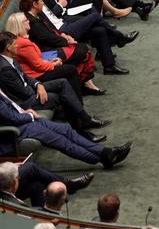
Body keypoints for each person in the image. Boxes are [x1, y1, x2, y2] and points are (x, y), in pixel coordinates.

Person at [0, 31, 110, 143]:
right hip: (24, 102)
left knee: (63, 83)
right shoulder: (5, 69)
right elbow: (24, 93)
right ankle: (82, 129)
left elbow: (25, 77)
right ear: (8, 47)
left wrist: (38, 84)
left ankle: (82, 124)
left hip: (31, 89)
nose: (17, 45)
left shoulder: (10, 58)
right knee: (63, 95)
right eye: (14, 44)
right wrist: (39, 87)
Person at [0, 86, 132, 168]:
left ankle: (105, 153)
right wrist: (29, 115)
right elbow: (11, 118)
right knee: (61, 141)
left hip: (24, 120)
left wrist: (25, 111)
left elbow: (11, 106)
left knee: (66, 130)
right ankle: (103, 158)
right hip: (16, 130)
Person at [5, 12, 104, 97]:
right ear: (20, 25)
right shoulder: (23, 43)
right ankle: (77, 106)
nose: (28, 21)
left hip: (35, 71)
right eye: (25, 21)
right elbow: (38, 66)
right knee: (71, 69)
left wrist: (50, 61)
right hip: (35, 76)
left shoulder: (21, 40)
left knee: (74, 59)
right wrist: (53, 64)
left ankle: (78, 101)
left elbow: (35, 61)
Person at [0, 161, 93, 207]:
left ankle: (43, 215)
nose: (19, 178)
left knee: (37, 185)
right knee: (31, 168)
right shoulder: (19, 206)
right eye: (18, 178)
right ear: (14, 182)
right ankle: (69, 185)